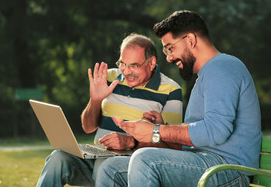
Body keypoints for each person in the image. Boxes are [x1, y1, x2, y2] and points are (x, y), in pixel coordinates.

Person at [95, 10, 262, 187]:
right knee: (111, 167)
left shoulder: (222, 67)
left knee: (144, 159)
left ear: (190, 40)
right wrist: (157, 131)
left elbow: (216, 130)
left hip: (227, 171)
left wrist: (156, 131)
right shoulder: (207, 75)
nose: (168, 58)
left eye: (170, 48)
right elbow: (195, 141)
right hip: (201, 162)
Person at [36, 33, 183, 187]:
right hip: (98, 155)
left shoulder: (171, 90)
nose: (126, 72)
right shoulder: (109, 77)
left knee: (105, 167)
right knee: (57, 158)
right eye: (122, 63)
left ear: (151, 63)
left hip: (132, 163)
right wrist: (95, 100)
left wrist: (129, 142)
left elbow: (173, 147)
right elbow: (88, 127)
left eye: (134, 65)